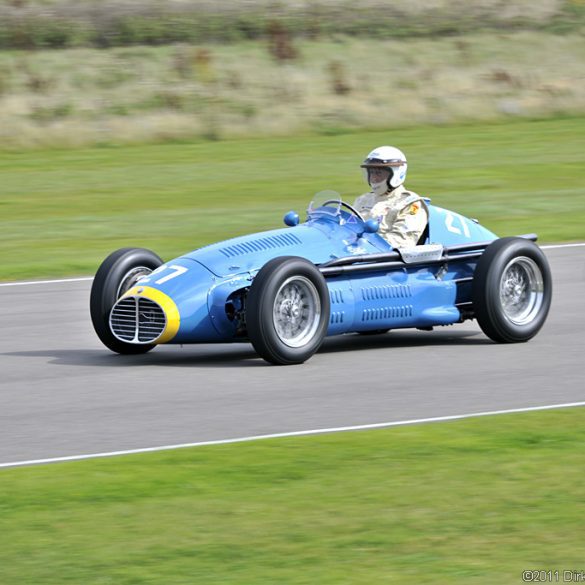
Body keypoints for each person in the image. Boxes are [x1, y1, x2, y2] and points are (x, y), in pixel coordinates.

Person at [354, 146, 428, 248]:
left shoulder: (410, 204)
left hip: (381, 259)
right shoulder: (363, 200)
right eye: (371, 172)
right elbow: (347, 227)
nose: (374, 178)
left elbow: (401, 242)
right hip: (352, 254)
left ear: (396, 174)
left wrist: (365, 244)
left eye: (379, 173)